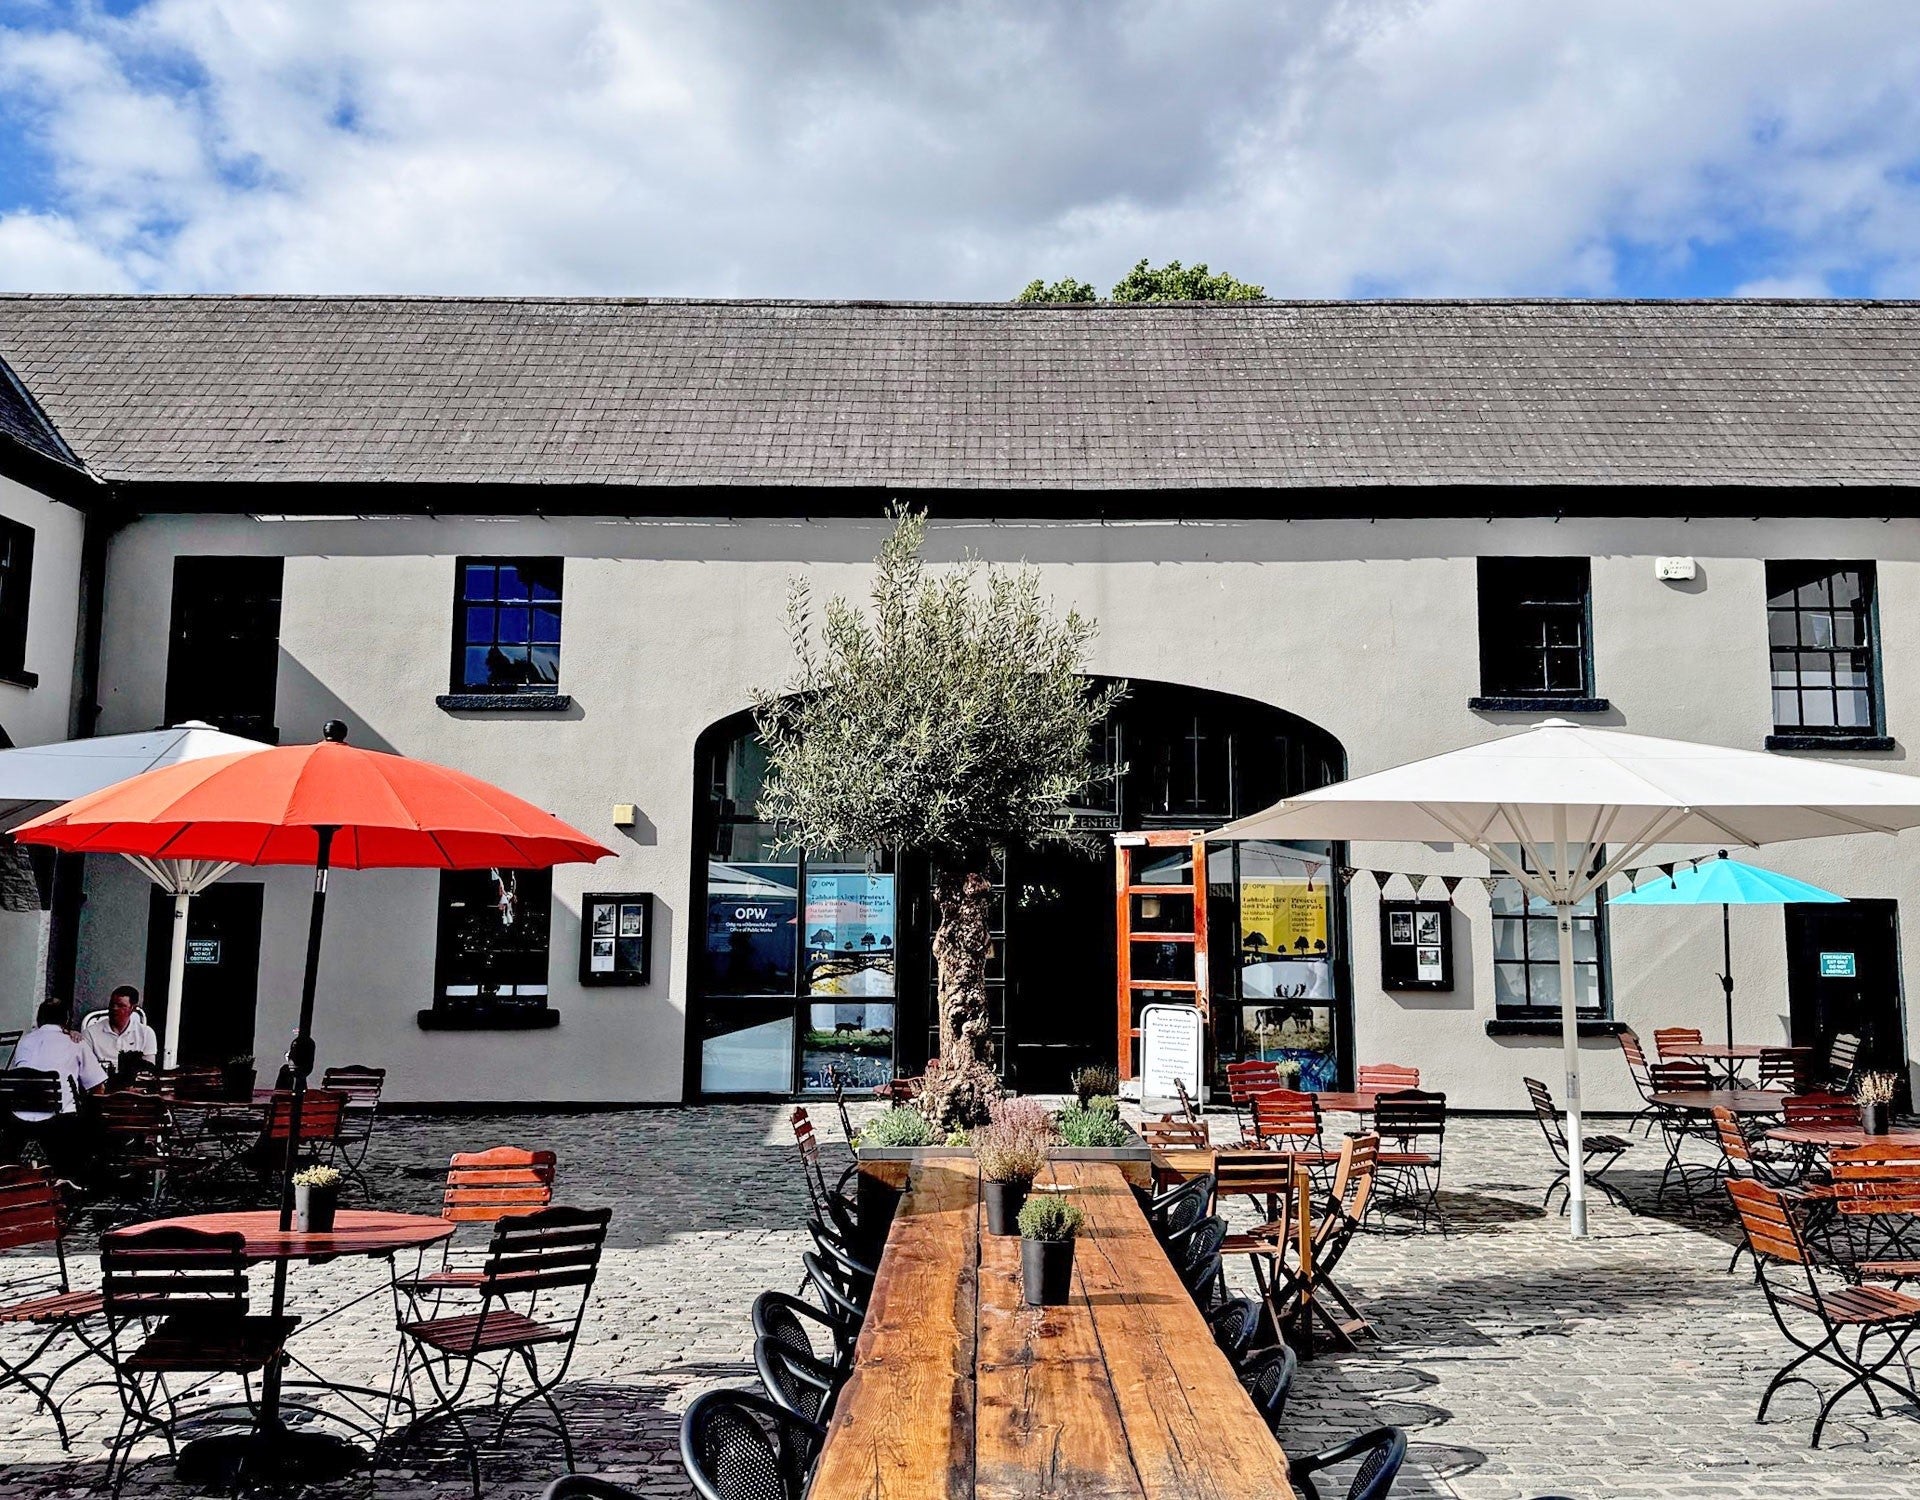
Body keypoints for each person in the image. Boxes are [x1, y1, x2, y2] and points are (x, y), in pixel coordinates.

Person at [10, 999, 108, 1186]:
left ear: (39, 1019)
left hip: (18, 1119)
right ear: (67, 1020)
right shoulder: (74, 1043)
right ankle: (76, 1179)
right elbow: (97, 1087)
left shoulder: (24, 1041)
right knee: (93, 1121)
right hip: (59, 1122)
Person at [81, 985, 158, 1078]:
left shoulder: (146, 1033)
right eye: (112, 1004)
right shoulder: (90, 1033)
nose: (114, 1008)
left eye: (120, 1005)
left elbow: (148, 1070)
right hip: (102, 1085)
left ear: (132, 1009)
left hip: (134, 1087)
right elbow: (85, 1068)